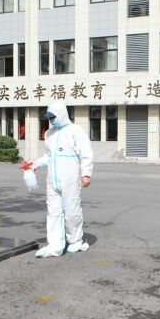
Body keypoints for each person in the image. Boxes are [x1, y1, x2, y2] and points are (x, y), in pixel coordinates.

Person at [27, 101, 94, 258]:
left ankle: (75, 240)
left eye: (53, 117)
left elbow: (86, 153)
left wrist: (86, 174)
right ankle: (55, 245)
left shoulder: (75, 131)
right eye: (49, 118)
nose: (51, 120)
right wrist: (35, 164)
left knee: (71, 210)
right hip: (52, 180)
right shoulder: (49, 134)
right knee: (53, 212)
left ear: (62, 114)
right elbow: (49, 156)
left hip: (69, 179)